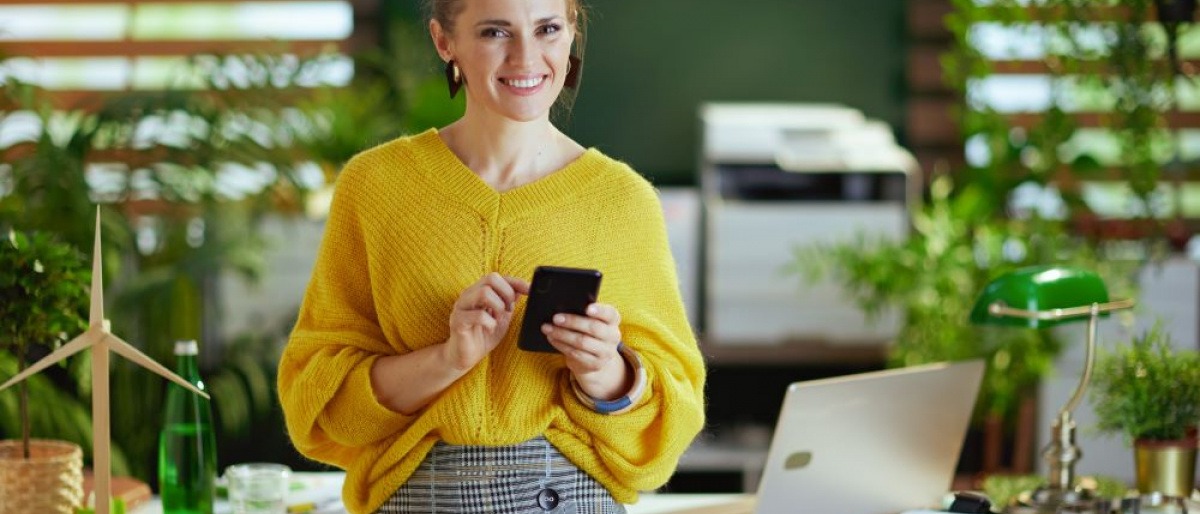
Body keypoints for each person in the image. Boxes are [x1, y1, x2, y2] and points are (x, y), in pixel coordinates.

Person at [276, 0, 706, 512]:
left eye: (547, 28)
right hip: (418, 496)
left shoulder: (622, 199)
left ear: (571, 36)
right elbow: (319, 402)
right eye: (495, 32)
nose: (526, 57)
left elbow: (672, 421)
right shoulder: (374, 186)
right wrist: (448, 358)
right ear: (444, 42)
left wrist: (607, 374)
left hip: (573, 496)